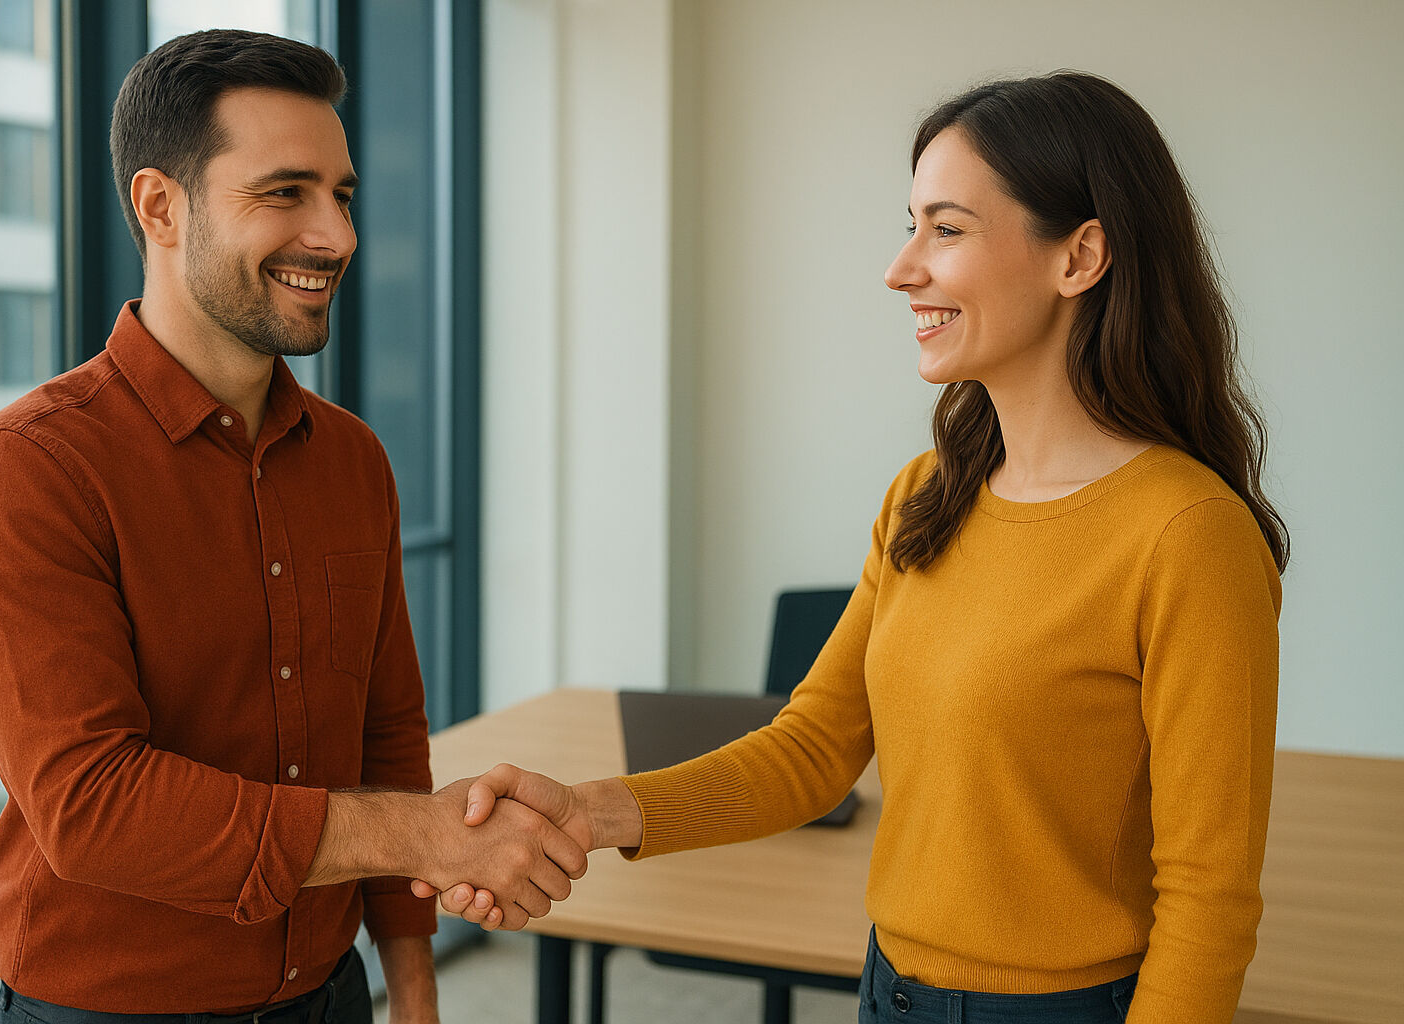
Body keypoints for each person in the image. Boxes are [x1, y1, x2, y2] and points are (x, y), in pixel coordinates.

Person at [417, 71, 1287, 1024]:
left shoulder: (1188, 536)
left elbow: (1210, 898)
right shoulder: (927, 495)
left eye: (946, 230)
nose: (901, 267)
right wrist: (589, 812)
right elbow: (810, 751)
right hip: (889, 989)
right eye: (911, 224)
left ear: (1079, 256)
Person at [0, 29, 584, 1024]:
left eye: (343, 194)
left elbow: (384, 734)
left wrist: (411, 981)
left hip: (331, 999)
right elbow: (92, 805)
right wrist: (418, 835)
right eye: (286, 192)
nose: (338, 235)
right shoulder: (30, 469)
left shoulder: (353, 460)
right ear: (160, 206)